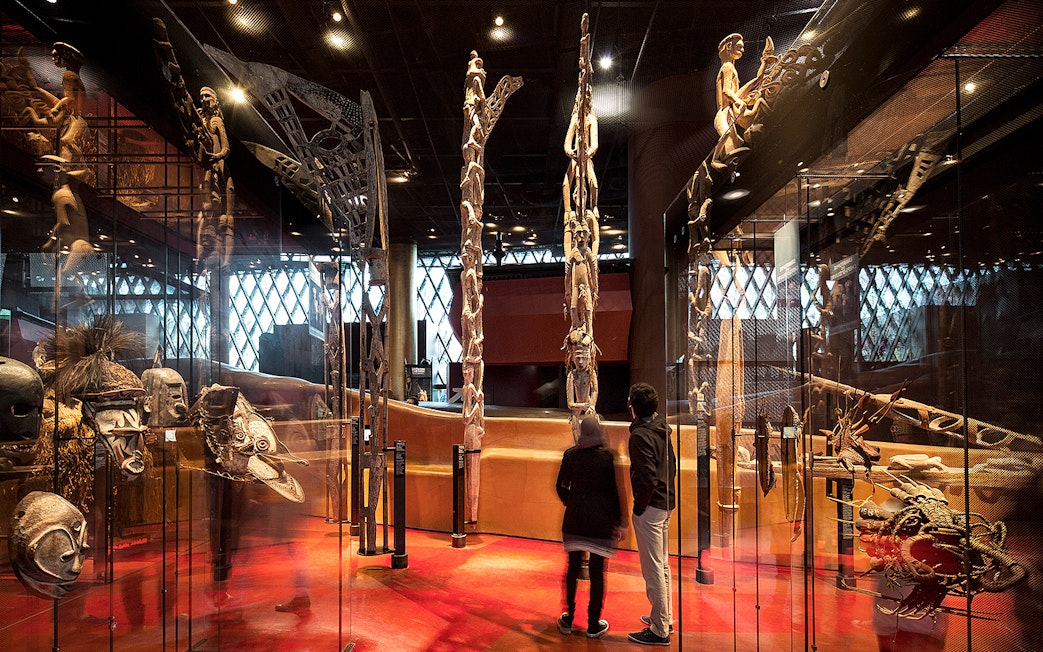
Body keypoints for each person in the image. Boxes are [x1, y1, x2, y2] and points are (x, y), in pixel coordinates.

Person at [555, 416, 624, 639]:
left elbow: (560, 486)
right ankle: (593, 623)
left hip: (574, 519)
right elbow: (614, 492)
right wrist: (618, 521)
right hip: (599, 522)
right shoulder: (606, 457)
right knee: (596, 573)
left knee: (572, 568)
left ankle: (568, 616)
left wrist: (570, 500)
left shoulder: (570, 455)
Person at [626, 382, 676, 646]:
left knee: (653, 568)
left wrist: (638, 507)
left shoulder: (640, 435)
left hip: (651, 507)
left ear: (632, 406)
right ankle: (664, 617)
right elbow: (672, 466)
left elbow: (646, 478)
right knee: (663, 564)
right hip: (665, 503)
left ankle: (659, 630)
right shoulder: (662, 429)